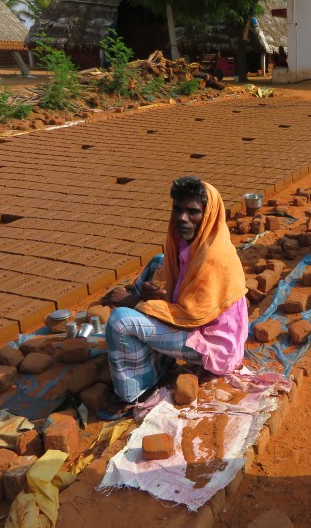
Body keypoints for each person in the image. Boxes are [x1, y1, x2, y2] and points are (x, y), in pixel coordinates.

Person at [97, 175, 248, 420]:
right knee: (157, 262)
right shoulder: (187, 243)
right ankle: (151, 357)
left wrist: (134, 302)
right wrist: (151, 296)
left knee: (121, 321)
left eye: (193, 212)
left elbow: (190, 317)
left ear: (208, 215)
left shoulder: (214, 258)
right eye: (177, 209)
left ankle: (133, 393)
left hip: (213, 344)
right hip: (190, 321)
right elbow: (175, 283)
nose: (182, 218)